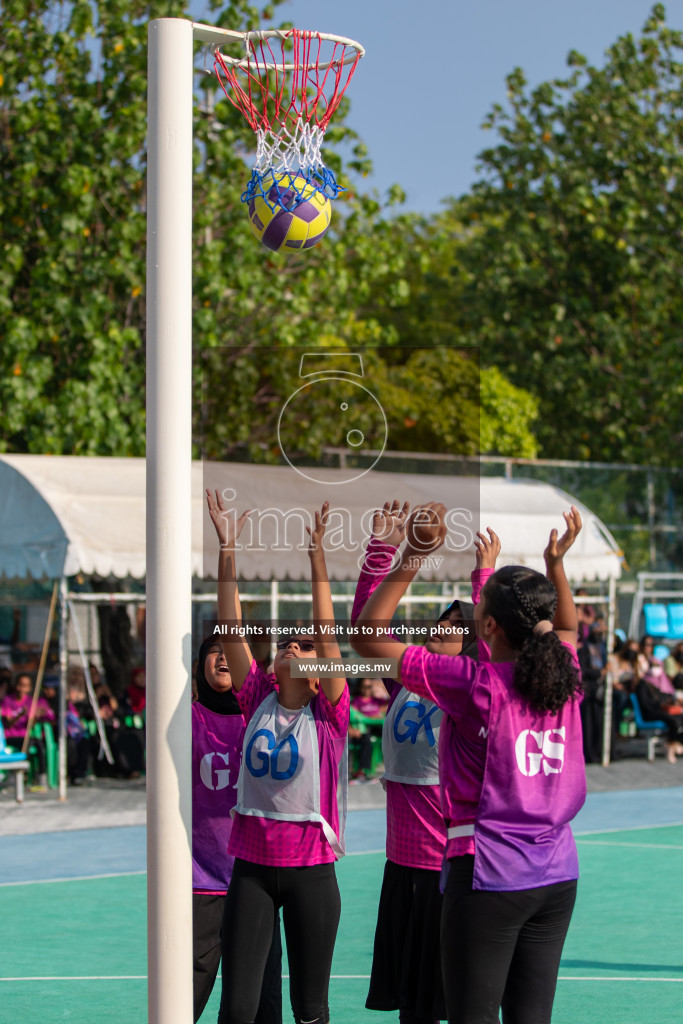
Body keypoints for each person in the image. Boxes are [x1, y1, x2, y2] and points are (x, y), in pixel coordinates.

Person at [352, 503, 586, 1024]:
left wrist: (413, 553)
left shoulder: (475, 685)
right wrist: (555, 566)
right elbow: (564, 630)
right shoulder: (564, 674)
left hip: (488, 874)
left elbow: (368, 638)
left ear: (487, 626)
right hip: (556, 874)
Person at [206, 490, 349, 1024]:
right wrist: (228, 550)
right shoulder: (254, 697)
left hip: (312, 872)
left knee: (309, 1009)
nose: (294, 645)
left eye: (304, 646)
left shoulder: (330, 712)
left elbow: (330, 634)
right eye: (289, 642)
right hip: (252, 871)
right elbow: (231, 624)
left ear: (317, 669)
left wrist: (316, 559)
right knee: (239, 1007)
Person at [352, 500, 478, 1024]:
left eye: (453, 625)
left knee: (442, 1001)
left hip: (444, 866)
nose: (438, 628)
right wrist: (382, 550)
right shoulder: (408, 681)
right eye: (438, 621)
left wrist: (480, 583)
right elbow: (366, 629)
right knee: (410, 1002)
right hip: (400, 862)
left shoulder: (474, 694)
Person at [192, 635, 282, 1024]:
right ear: (199, 664)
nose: (223, 657)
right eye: (214, 651)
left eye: (232, 651)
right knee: (183, 995)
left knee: (261, 1002)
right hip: (198, 882)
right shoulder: (183, 718)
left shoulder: (265, 717)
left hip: (256, 880)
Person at [1, 671, 55, 786]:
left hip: (25, 737)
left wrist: (36, 716)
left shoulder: (30, 701)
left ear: (29, 688)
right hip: (10, 737)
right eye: (20, 685)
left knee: (38, 743)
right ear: (16, 686)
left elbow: (31, 725)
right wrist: (20, 715)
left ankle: (41, 776)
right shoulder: (8, 700)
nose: (22, 688)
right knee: (30, 742)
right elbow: (8, 724)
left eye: (25, 686)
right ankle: (17, 773)